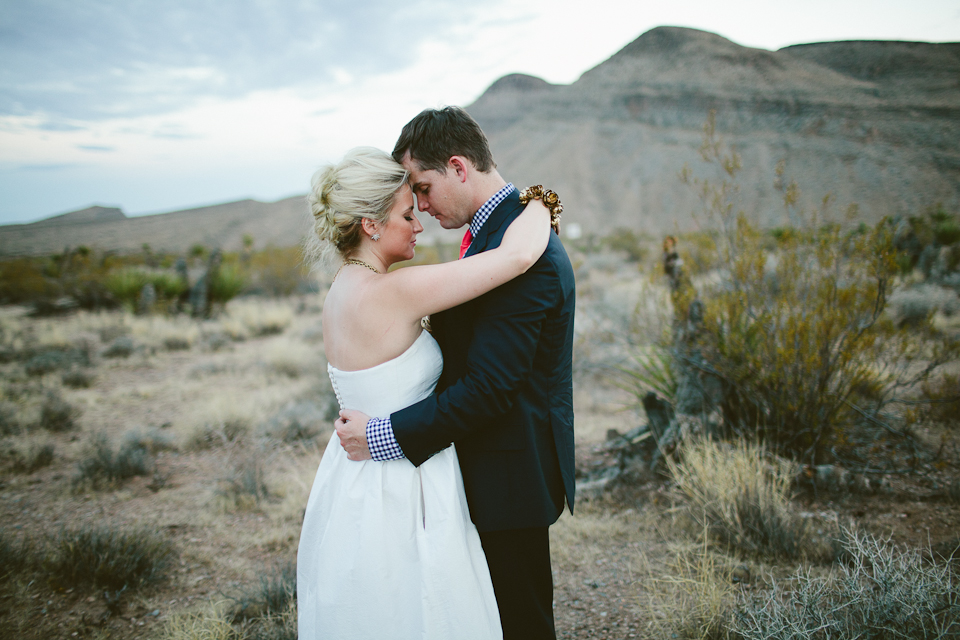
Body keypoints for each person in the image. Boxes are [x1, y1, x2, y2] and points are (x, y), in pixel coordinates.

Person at [336, 106, 577, 640]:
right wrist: (541, 200)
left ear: (458, 167)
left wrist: (381, 435)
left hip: (507, 477)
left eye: (423, 188)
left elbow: (491, 387)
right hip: (473, 470)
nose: (419, 206)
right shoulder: (503, 232)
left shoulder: (522, 250)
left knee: (520, 624)